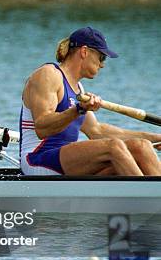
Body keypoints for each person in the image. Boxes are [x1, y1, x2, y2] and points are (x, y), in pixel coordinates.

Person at [20, 26, 161, 176]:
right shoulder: (48, 74)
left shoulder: (78, 89)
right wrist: (79, 109)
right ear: (84, 51)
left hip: (65, 163)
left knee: (142, 146)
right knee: (114, 147)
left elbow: (97, 131)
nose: (102, 64)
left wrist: (156, 138)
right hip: (37, 159)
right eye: (102, 57)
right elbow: (42, 128)